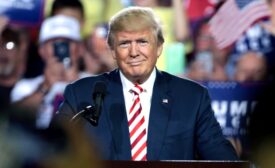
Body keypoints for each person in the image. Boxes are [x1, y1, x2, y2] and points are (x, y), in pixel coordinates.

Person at [54, 6, 238, 160]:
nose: (134, 52)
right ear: (112, 51)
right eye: (124, 43)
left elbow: (222, 159)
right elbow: (53, 152)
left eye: (142, 42)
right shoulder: (82, 94)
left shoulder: (192, 98)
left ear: (158, 47)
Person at [10, 15, 87, 129]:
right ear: (41, 50)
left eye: (67, 43)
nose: (60, 49)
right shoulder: (25, 87)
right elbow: (15, 119)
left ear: (80, 49)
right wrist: (45, 87)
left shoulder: (98, 84)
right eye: (54, 44)